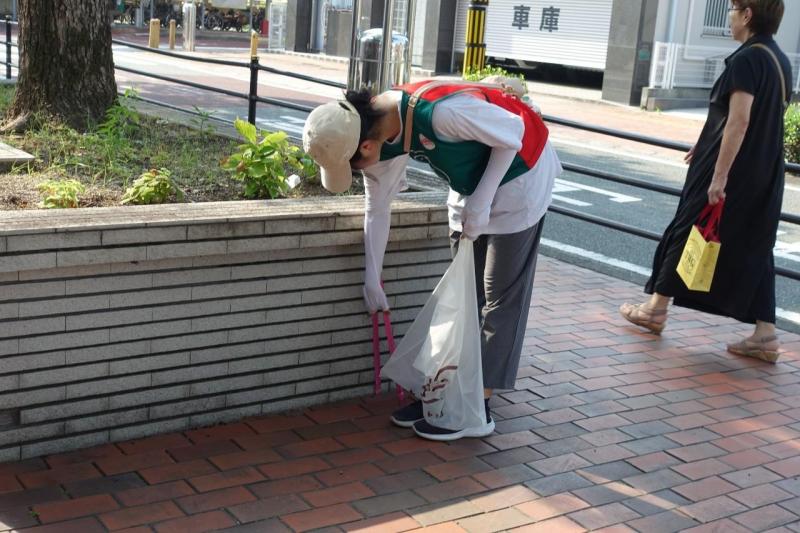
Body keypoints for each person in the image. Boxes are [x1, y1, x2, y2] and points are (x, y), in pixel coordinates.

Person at [303, 78, 561, 440]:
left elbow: (512, 134)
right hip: (471, 183)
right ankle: (441, 397)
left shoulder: (440, 114)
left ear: (365, 145)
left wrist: (484, 198)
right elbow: (376, 209)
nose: (362, 173)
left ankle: (476, 409)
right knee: (463, 299)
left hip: (522, 176)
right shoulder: (375, 130)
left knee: (498, 298)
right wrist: (371, 277)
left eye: (356, 166)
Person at [620, 0, 791, 363]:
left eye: (732, 9)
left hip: (733, 172)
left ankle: (655, 309)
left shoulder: (746, 59)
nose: (729, 17)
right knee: (754, 245)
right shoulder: (779, 60)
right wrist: (706, 139)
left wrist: (719, 175)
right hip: (765, 172)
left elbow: (740, 120)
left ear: (747, 15)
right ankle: (765, 334)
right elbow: (755, 118)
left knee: (688, 229)